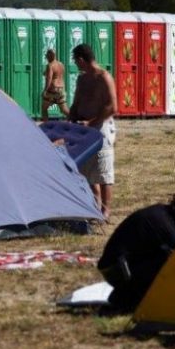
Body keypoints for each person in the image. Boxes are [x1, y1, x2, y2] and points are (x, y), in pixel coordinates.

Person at [97, 190, 175, 315]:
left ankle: (123, 296)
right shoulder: (165, 225)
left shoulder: (164, 213)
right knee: (171, 261)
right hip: (116, 270)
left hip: (117, 265)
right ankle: (125, 299)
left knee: (166, 256)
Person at [68, 43, 118, 221]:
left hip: (100, 127)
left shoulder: (103, 77)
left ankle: (106, 210)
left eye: (75, 61)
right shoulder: (82, 79)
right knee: (87, 170)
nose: (75, 64)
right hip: (83, 128)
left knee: (103, 170)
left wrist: (92, 122)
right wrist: (71, 118)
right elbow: (76, 102)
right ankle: (94, 207)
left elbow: (112, 106)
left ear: (81, 60)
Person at [40, 48, 69, 122]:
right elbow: (60, 76)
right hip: (61, 89)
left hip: (52, 90)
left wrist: (45, 90)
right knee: (64, 110)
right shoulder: (61, 64)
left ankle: (46, 125)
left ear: (50, 56)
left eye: (47, 56)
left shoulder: (50, 65)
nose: (46, 57)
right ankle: (75, 120)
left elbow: (49, 78)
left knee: (44, 108)